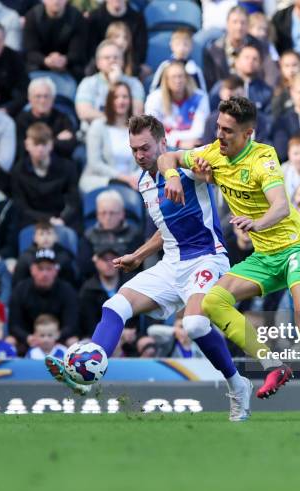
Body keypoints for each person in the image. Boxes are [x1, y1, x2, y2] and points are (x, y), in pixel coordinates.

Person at [158, 97, 300, 419]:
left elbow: (280, 206)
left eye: (228, 131)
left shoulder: (263, 158)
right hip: (266, 257)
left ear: (248, 133)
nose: (220, 135)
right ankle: (273, 365)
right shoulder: (211, 154)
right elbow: (167, 156)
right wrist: (173, 176)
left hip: (298, 248)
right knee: (212, 302)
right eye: (219, 127)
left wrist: (257, 224)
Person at [46, 114, 264, 423]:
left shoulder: (188, 164)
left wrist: (207, 171)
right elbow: (166, 230)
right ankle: (89, 372)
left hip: (206, 258)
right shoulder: (144, 182)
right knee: (115, 305)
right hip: (171, 263)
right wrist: (138, 254)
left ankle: (237, 383)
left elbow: (213, 170)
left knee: (195, 326)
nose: (139, 156)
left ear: (163, 142)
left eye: (145, 148)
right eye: (134, 149)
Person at [11, 122, 81, 231]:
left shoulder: (67, 167)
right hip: (32, 223)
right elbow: (21, 207)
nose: (40, 149)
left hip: (62, 221)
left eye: (44, 144)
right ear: (27, 145)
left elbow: (73, 201)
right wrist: (47, 219)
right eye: (36, 144)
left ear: (51, 144)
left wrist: (62, 219)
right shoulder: (18, 171)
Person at [9, 248, 79, 354]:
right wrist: (28, 337)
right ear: (32, 270)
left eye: (49, 269)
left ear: (56, 271)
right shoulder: (20, 289)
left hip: (57, 338)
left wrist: (55, 337)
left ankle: (73, 370)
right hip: (29, 339)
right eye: (40, 269)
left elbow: (72, 324)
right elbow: (14, 324)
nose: (45, 273)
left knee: (73, 342)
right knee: (10, 341)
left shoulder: (67, 290)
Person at [23, 0, 86, 100]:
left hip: (67, 70)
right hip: (38, 68)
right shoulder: (33, 16)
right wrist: (46, 61)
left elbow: (79, 52)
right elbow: (30, 51)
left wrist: (64, 60)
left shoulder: (76, 17)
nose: (56, 1)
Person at [82, 81, 139, 192]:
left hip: (134, 182)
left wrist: (135, 177)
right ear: (109, 101)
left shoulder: (138, 128)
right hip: (103, 180)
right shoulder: (98, 126)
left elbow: (146, 160)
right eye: (116, 97)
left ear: (130, 101)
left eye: (125, 97)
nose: (121, 101)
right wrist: (124, 178)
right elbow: (95, 163)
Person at [203, 6, 275, 90]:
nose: (239, 27)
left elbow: (271, 74)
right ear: (227, 24)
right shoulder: (214, 50)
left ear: (248, 25)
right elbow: (211, 83)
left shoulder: (260, 46)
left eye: (243, 22)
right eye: (235, 22)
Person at [78, 188, 143, 281]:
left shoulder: (135, 234)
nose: (107, 217)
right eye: (103, 213)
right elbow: (83, 267)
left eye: (112, 213)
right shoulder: (88, 235)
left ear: (122, 214)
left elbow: (138, 265)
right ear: (97, 214)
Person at [75, 40, 145, 124]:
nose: (112, 60)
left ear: (122, 61)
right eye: (107, 58)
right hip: (95, 132)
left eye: (116, 57)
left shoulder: (134, 83)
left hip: (125, 131)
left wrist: (117, 83)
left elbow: (137, 113)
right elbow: (84, 113)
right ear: (98, 63)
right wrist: (113, 120)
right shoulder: (87, 83)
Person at [145, 61, 210, 150]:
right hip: (163, 147)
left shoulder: (200, 97)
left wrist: (172, 135)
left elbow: (199, 131)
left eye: (180, 76)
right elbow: (153, 132)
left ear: (186, 78)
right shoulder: (154, 98)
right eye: (173, 77)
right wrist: (177, 142)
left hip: (191, 146)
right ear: (166, 80)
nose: (178, 81)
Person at [15, 77, 79, 162]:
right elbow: (21, 151)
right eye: (38, 96)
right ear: (30, 99)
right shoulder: (21, 120)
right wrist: (55, 141)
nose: (42, 101)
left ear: (53, 99)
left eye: (46, 96)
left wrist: (35, 144)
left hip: (59, 164)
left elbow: (70, 145)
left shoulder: (62, 118)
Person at [202, 75, 271, 145]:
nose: (233, 101)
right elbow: (208, 148)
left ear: (244, 93)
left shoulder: (257, 119)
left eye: (237, 95)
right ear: (221, 94)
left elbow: (262, 144)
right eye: (229, 96)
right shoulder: (212, 121)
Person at [78, 244, 128, 337]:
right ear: (95, 261)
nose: (109, 263)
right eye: (104, 259)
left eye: (113, 259)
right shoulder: (88, 289)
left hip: (130, 336)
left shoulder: (130, 284)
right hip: (99, 336)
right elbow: (90, 324)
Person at [209, 43, 273, 115]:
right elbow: (212, 112)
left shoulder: (266, 91)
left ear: (260, 64)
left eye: (255, 59)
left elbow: (268, 119)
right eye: (246, 57)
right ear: (236, 61)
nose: (250, 61)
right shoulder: (222, 86)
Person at [12, 220, 78, 288]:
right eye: (41, 234)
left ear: (56, 237)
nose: (45, 237)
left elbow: (71, 283)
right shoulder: (25, 257)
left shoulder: (64, 256)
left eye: (49, 233)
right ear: (34, 238)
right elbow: (18, 283)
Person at [86, 0, 147, 71]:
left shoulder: (137, 19)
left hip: (129, 67)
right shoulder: (94, 19)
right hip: (101, 68)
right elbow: (90, 50)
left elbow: (139, 52)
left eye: (125, 37)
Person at [149, 28, 207, 93]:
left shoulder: (195, 70)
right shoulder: (165, 66)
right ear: (171, 45)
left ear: (191, 46)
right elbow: (154, 89)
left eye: (186, 45)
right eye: (178, 44)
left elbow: (202, 93)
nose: (182, 48)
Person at [271, 50, 300, 119]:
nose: (291, 70)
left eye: (294, 65)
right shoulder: (278, 92)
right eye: (286, 66)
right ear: (281, 69)